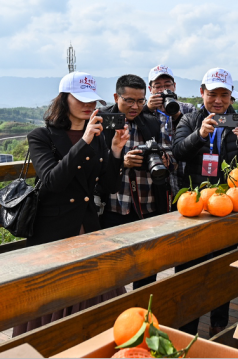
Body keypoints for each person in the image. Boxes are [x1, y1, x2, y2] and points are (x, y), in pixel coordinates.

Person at [14, 71, 130, 336]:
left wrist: (115, 151)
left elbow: (109, 186)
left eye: (92, 101)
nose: (89, 106)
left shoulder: (100, 136)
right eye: (82, 99)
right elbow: (53, 181)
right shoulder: (41, 136)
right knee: (51, 303)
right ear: (64, 99)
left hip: (87, 228)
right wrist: (86, 140)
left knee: (93, 301)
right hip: (52, 232)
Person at [172, 67, 238, 337]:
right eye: (212, 94)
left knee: (224, 267)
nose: (218, 100)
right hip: (195, 207)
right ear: (202, 93)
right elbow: (178, 151)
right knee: (190, 269)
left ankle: (219, 324)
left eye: (224, 94)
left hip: (229, 205)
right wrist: (199, 135)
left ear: (232, 96)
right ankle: (186, 328)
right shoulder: (189, 119)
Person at [99, 74, 175, 290]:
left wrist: (161, 158)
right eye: (129, 101)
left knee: (147, 270)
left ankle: (142, 312)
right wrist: (121, 161)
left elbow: (171, 157)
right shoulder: (103, 120)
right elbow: (93, 161)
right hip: (113, 206)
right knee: (112, 272)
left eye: (140, 101)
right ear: (116, 97)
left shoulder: (151, 121)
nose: (135, 106)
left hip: (147, 204)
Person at [143, 65, 196, 196]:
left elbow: (196, 137)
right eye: (158, 86)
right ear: (150, 89)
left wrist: (176, 114)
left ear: (174, 86)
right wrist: (147, 110)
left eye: (167, 85)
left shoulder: (188, 109)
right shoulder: (144, 110)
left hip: (184, 174)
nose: (163, 90)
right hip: (155, 177)